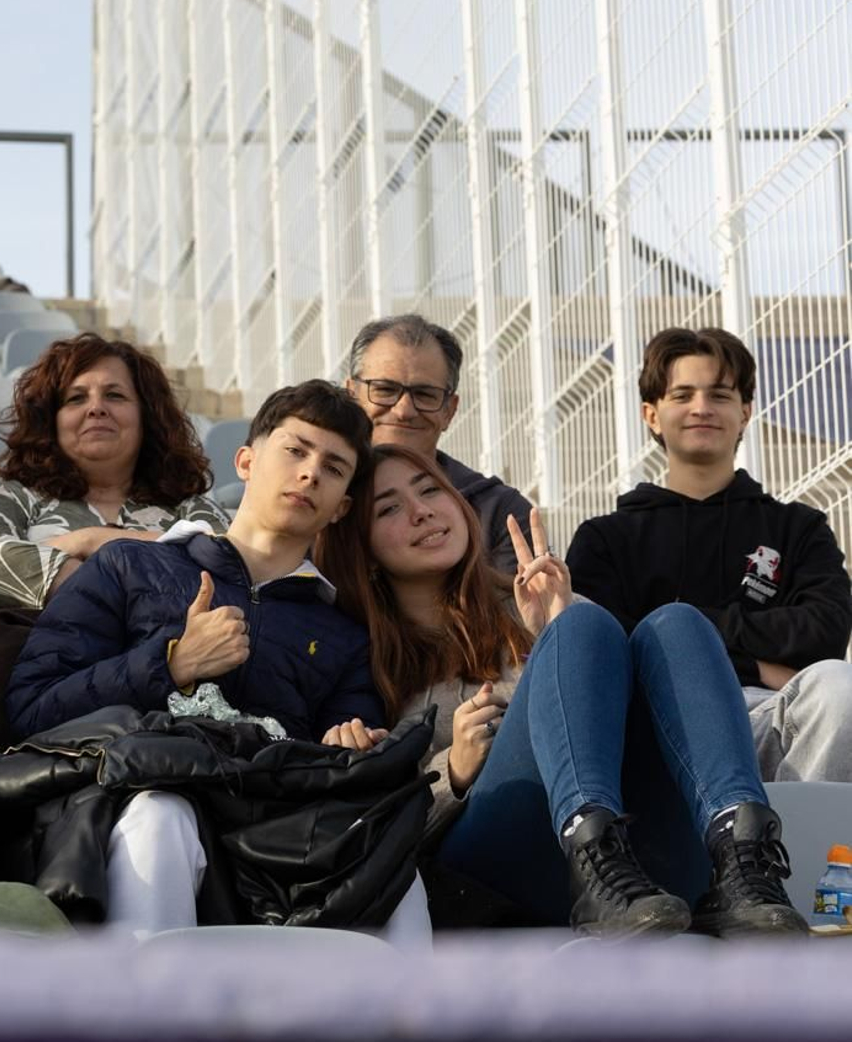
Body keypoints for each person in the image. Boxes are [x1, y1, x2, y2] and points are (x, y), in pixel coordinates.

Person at [326, 443, 806, 936]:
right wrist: (452, 773)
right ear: (361, 550)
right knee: (584, 627)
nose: (421, 510)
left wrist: (554, 625)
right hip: (500, 872)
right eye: (390, 507)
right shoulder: (359, 655)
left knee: (675, 623)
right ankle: (589, 844)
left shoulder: (536, 601)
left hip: (640, 866)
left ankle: (743, 861)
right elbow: (369, 825)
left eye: (430, 490)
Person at [5, 379, 382, 932]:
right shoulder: (132, 566)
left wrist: (346, 746)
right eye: (295, 450)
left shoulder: (343, 633)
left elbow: (346, 772)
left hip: (274, 834)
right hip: (133, 800)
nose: (309, 474)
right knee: (163, 817)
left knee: (387, 860)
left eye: (333, 467)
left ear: (342, 506)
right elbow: (32, 710)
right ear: (247, 460)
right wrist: (174, 663)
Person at [566, 326, 852, 783]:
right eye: (682, 395)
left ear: (744, 413)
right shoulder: (606, 538)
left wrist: (679, 626)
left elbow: (825, 632)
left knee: (840, 686)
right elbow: (605, 651)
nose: (702, 408)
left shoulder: (799, 527)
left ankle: (800, 849)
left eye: (719, 395)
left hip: (770, 716)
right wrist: (754, 663)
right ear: (652, 415)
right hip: (656, 721)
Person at [0, 332, 228, 615]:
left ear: (147, 417)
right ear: (50, 420)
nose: (96, 408)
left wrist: (90, 542)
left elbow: (232, 562)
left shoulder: (189, 505)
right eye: (76, 398)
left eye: (115, 395)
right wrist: (104, 564)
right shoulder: (7, 495)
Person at [345, 314, 532, 573]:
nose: (404, 410)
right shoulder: (315, 500)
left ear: (450, 411)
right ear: (351, 396)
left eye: (424, 394)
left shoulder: (499, 514)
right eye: (385, 390)